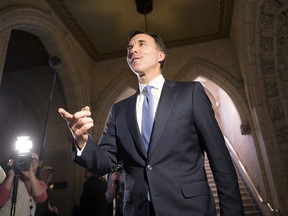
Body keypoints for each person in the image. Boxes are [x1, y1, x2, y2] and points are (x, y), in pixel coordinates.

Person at [58, 29, 244, 216]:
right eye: (129, 47)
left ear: (160, 55)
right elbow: (105, 161)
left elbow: (219, 158)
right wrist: (81, 140)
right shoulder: (119, 110)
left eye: (141, 44)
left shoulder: (190, 93)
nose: (133, 50)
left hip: (189, 209)